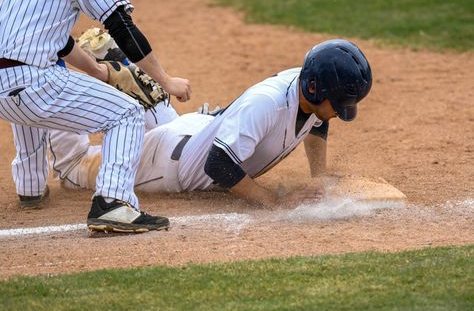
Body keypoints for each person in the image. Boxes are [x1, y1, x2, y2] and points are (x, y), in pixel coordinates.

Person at [49, 39, 372, 208]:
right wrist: (274, 201)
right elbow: (218, 163)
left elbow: (318, 118)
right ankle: (55, 73)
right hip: (165, 165)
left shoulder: (309, 91)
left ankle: (122, 71)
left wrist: (320, 176)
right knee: (76, 169)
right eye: (339, 104)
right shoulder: (267, 103)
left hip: (193, 131)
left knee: (157, 121)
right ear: (316, 88)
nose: (338, 113)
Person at [0, 0, 191, 233]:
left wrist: (98, 71)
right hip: (32, 82)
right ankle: (112, 202)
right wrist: (167, 81)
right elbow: (121, 25)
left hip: (10, 88)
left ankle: (30, 187)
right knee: (126, 113)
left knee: (25, 91)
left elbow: (52, 39)